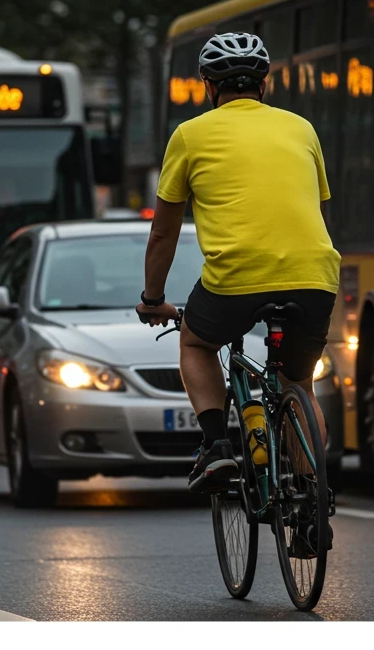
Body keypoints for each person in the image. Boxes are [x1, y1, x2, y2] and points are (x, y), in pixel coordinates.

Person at [136, 32, 340, 554]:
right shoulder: (302, 128)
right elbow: (318, 209)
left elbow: (163, 231)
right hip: (314, 275)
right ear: (266, 81)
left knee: (196, 344)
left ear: (208, 85)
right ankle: (313, 494)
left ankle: (217, 444)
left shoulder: (190, 134)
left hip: (235, 280)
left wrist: (152, 297)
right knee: (298, 381)